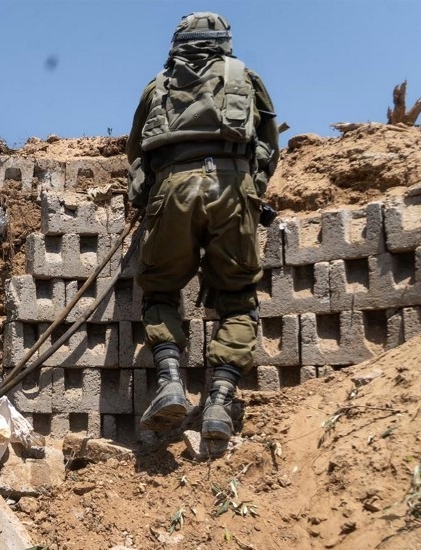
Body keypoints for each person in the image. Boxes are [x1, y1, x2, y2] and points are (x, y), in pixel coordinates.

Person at [125, 12, 280, 443]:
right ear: (224, 43)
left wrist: (146, 200)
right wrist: (252, 189)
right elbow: (267, 144)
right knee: (236, 297)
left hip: (172, 188)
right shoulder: (244, 77)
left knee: (160, 291)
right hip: (232, 186)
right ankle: (220, 399)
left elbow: (136, 154)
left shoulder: (157, 86)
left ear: (177, 45)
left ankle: (171, 381)